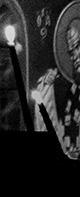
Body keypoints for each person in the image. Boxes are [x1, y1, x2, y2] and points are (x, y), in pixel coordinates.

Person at [33, 16, 80, 159]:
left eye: (78, 47)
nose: (74, 56)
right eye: (71, 52)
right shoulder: (72, 91)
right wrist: (46, 86)